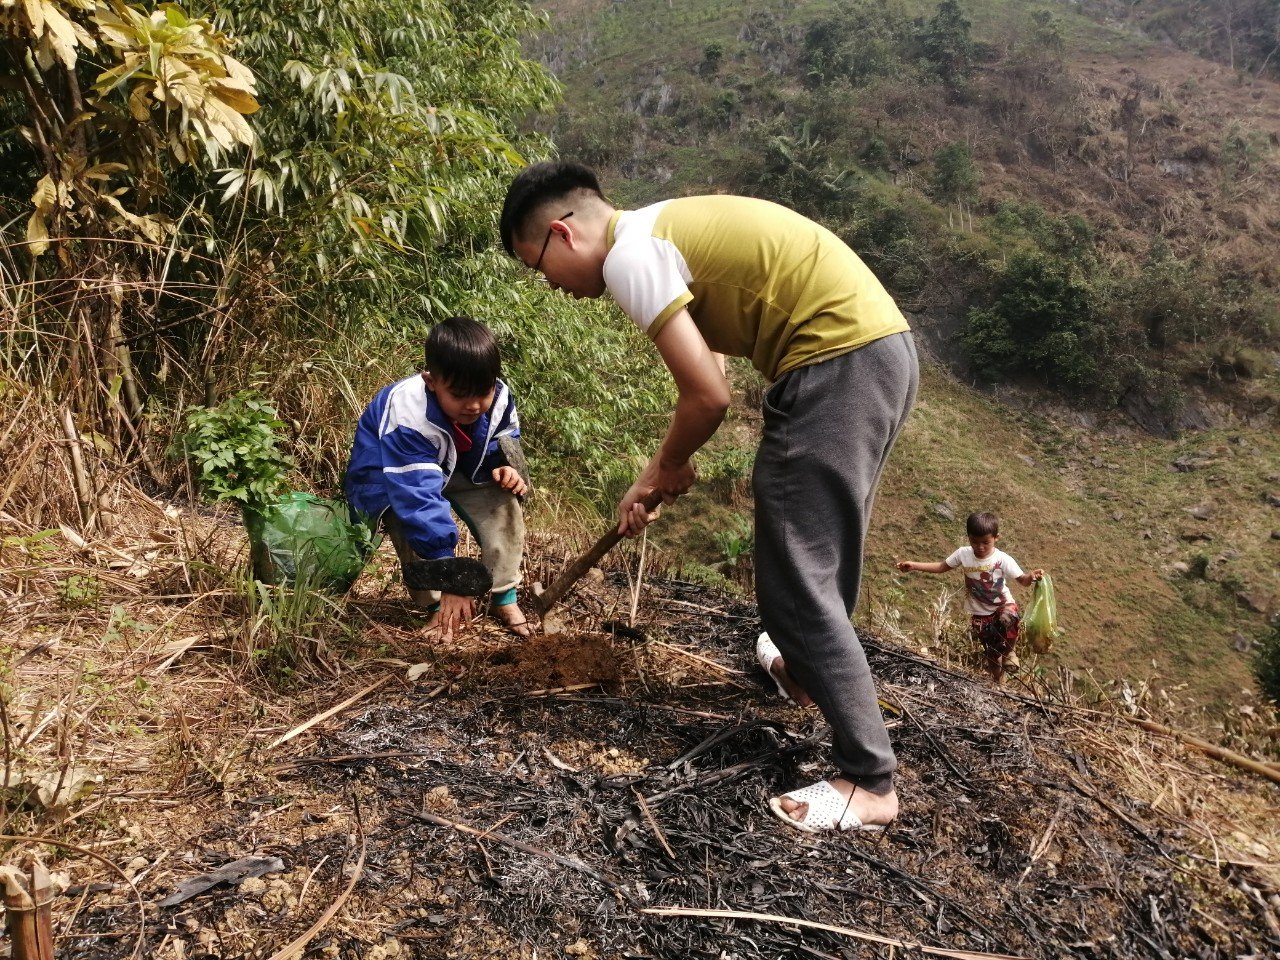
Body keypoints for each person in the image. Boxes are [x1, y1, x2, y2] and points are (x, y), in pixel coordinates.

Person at [500, 161, 918, 834]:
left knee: (793, 567)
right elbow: (710, 361)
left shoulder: (629, 257)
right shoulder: (654, 230)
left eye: (537, 267)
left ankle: (870, 781)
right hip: (875, 350)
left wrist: (665, 464)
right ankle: (808, 676)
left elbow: (709, 397)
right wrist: (667, 466)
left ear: (561, 233)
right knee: (817, 551)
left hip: (835, 357)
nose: (550, 286)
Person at [345, 316, 532, 640]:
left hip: (460, 464)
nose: (473, 405)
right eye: (460, 394)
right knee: (407, 520)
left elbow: (506, 434)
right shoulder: (408, 415)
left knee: (502, 501)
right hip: (393, 471)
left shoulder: (499, 396)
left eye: (482, 393)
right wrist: (452, 576)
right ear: (431, 382)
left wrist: (506, 466)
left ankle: (503, 596)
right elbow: (418, 498)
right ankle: (435, 607)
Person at [896, 511, 1044, 682]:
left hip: (1002, 603)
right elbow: (942, 567)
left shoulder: (1002, 559)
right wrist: (914, 565)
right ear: (968, 537)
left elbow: (1023, 580)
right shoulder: (963, 554)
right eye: (974, 541)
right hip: (980, 612)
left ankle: (1010, 652)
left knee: (1008, 618)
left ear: (996, 538)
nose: (980, 547)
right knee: (992, 653)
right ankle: (998, 681)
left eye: (985, 543)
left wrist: (1031, 576)